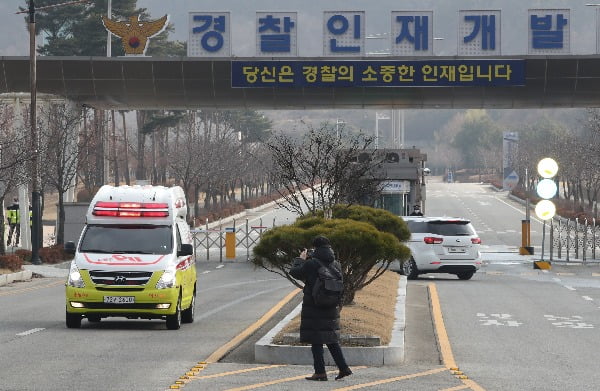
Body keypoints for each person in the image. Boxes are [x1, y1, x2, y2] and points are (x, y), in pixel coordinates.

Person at [289, 235, 352, 382]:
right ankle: (343, 368)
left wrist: (300, 259)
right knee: (331, 338)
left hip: (315, 306)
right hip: (331, 306)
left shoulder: (312, 264)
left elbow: (295, 272)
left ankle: (320, 372)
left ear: (315, 248)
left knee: (316, 340)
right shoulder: (336, 264)